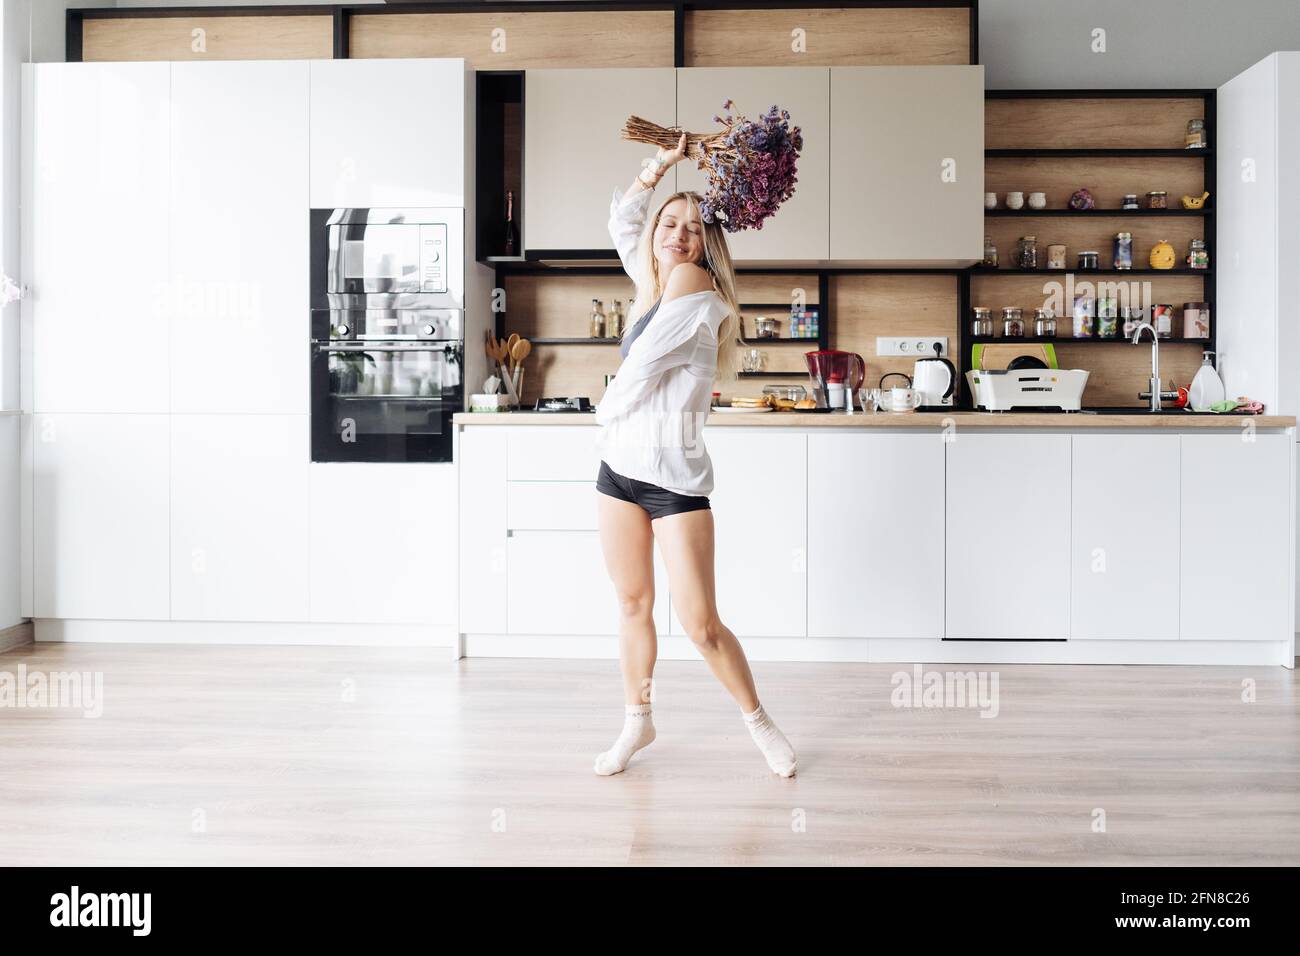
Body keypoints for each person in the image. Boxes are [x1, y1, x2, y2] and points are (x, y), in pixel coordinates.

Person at [591, 133, 797, 778]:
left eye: (693, 227)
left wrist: (600, 413)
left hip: (673, 481)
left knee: (702, 624)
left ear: (709, 244)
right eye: (669, 223)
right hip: (618, 473)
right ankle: (637, 721)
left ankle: (760, 723)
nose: (677, 235)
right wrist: (663, 163)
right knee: (631, 605)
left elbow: (639, 373)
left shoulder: (697, 296)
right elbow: (624, 219)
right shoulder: (651, 282)